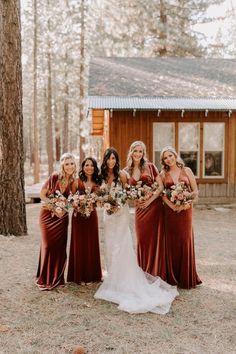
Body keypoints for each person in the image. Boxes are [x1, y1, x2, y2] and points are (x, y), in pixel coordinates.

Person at [94, 147, 178, 314]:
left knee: (122, 243)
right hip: (108, 214)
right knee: (110, 245)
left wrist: (119, 204)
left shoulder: (122, 175)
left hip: (121, 212)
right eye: (108, 159)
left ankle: (124, 279)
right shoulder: (101, 176)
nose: (111, 161)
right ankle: (113, 278)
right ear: (105, 160)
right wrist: (105, 203)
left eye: (113, 159)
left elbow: (126, 194)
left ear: (117, 160)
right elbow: (98, 195)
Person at [160, 146, 202, 289]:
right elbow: (163, 195)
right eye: (165, 157)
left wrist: (187, 202)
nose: (169, 159)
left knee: (185, 240)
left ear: (175, 156)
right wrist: (172, 206)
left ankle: (186, 277)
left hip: (185, 211)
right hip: (170, 213)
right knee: (172, 242)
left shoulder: (187, 171)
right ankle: (172, 276)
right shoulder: (163, 174)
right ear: (163, 160)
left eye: (170, 155)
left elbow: (195, 191)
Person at [125, 141, 166, 279]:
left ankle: (156, 271)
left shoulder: (150, 167)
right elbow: (126, 192)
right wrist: (134, 200)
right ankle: (143, 270)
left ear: (143, 153)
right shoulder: (126, 171)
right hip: (140, 209)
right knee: (142, 239)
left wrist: (149, 200)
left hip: (154, 207)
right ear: (131, 152)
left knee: (154, 239)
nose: (137, 154)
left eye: (140, 151)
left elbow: (160, 187)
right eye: (135, 151)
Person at [36, 152, 76, 290]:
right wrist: (55, 206)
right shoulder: (54, 177)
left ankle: (57, 279)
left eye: (71, 163)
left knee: (59, 247)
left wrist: (65, 207)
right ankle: (44, 279)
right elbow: (42, 195)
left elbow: (73, 201)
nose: (69, 166)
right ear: (62, 165)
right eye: (67, 164)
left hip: (63, 218)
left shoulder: (74, 181)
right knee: (48, 245)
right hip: (48, 215)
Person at [67, 157, 102, 284]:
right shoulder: (77, 182)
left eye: (92, 165)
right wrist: (77, 203)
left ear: (95, 168)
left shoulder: (97, 183)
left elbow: (99, 202)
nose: (89, 168)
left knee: (91, 243)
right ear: (83, 167)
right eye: (87, 165)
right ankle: (78, 275)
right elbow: (70, 200)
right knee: (79, 244)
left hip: (92, 216)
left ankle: (92, 275)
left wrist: (94, 202)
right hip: (78, 218)